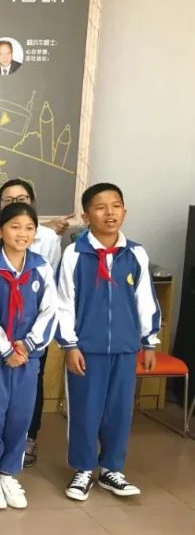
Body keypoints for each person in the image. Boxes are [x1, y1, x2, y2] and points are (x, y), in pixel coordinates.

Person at [58, 183, 160, 502]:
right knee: (86, 411)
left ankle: (112, 469)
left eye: (115, 206)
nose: (110, 213)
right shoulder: (75, 254)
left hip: (125, 348)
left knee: (119, 411)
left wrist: (150, 342)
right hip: (86, 349)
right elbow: (64, 303)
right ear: (87, 216)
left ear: (124, 211)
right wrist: (70, 345)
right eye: (100, 207)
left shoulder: (136, 253)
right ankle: (83, 468)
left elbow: (145, 299)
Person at [0, 202, 57, 510]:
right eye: (15, 227)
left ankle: (8, 472)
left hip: (28, 357)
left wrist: (28, 346)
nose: (22, 233)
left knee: (20, 416)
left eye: (29, 228)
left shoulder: (41, 267)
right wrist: (6, 349)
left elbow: (50, 310)